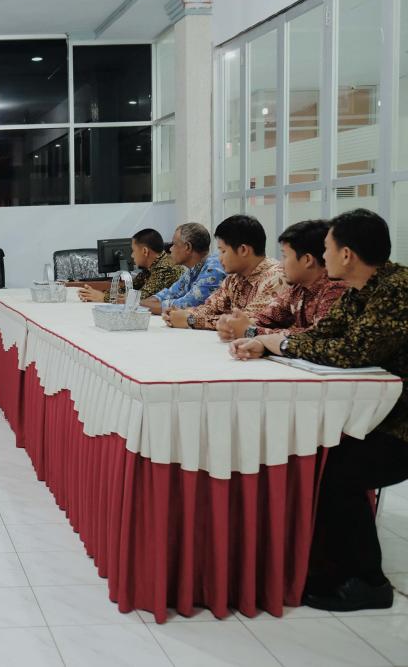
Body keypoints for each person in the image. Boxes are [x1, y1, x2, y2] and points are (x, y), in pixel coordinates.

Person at [229, 209, 408, 612]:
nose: (322, 258)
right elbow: (321, 334)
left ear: (346, 254)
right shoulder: (366, 289)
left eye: (326, 250)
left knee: (340, 474)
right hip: (378, 412)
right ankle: (336, 568)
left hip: (399, 424)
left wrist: (280, 344)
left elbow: (350, 351)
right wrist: (266, 341)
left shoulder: (396, 290)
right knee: (329, 465)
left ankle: (368, 581)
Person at [216, 220, 345, 341]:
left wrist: (250, 331)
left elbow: (316, 337)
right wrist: (234, 324)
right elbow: (267, 317)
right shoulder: (298, 288)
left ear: (307, 260)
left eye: (285, 256)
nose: (281, 265)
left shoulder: (336, 289)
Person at [164, 215, 285, 330]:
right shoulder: (234, 278)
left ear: (243, 250)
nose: (219, 258)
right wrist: (178, 314)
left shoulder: (275, 277)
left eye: (223, 251)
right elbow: (210, 307)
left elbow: (245, 323)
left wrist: (191, 319)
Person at [141, 223, 226, 315]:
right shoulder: (193, 269)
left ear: (187, 247)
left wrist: (136, 304)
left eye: (174, 244)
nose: (170, 249)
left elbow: (183, 306)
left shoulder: (213, 270)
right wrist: (141, 304)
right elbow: (167, 294)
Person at [79, 229, 183, 303]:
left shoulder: (165, 268)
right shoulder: (152, 267)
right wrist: (97, 293)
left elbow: (140, 298)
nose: (132, 256)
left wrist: (103, 298)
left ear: (145, 251)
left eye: (133, 251)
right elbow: (130, 289)